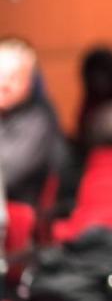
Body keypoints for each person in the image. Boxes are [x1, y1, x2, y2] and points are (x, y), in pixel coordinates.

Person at [0, 37, 68, 206]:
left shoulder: (39, 120)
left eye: (13, 77)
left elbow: (8, 174)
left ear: (29, 82)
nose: (4, 85)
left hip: (18, 211)